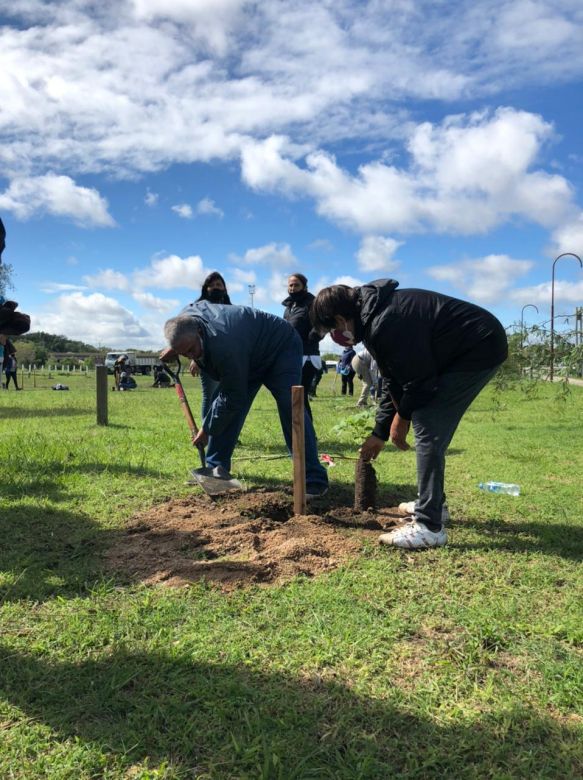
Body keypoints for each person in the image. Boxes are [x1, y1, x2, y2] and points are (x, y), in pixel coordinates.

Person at [311, 279, 508, 549]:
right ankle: (434, 505)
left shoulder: (387, 320)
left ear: (340, 318)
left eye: (332, 328)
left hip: (478, 347)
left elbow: (420, 382)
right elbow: (392, 379)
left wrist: (401, 420)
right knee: (425, 418)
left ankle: (429, 526)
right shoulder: (372, 318)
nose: (335, 335)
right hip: (461, 350)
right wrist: (379, 433)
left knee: (428, 423)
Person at [162, 302, 329, 498]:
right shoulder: (185, 322)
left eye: (192, 349)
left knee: (290, 405)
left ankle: (313, 479)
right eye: (185, 353)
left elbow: (233, 396)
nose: (191, 356)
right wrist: (178, 348)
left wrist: (207, 428)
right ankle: (216, 471)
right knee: (224, 409)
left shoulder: (225, 344)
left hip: (280, 347)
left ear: (199, 331)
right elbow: (186, 336)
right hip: (248, 352)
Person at [191, 272, 232, 421]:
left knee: (227, 396)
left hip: (228, 359)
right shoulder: (198, 309)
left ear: (225, 289)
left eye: (219, 285)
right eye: (212, 285)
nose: (215, 288)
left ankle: (224, 431)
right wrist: (195, 359)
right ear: (206, 288)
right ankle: (207, 433)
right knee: (210, 396)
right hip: (207, 359)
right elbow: (194, 336)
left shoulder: (230, 310)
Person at [281, 273, 322, 419]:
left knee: (300, 394)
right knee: (294, 394)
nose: (292, 288)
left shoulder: (312, 303)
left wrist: (309, 340)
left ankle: (307, 434)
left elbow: (321, 326)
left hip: (307, 356)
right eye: (290, 285)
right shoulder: (289, 306)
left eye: (296, 284)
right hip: (291, 354)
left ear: (304, 286)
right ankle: (302, 432)